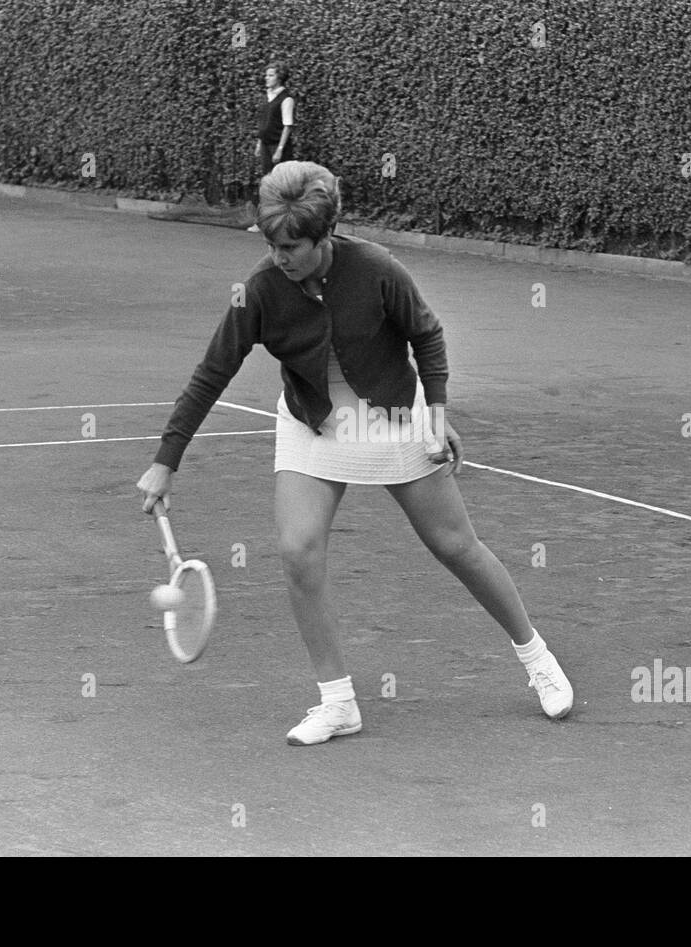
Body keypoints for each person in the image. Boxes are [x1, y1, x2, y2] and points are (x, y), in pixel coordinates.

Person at [137, 161, 574, 746]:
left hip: (393, 417)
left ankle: (537, 657)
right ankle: (337, 702)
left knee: (454, 545)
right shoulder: (261, 290)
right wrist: (167, 460)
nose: (279, 257)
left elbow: (428, 335)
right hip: (312, 424)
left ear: (326, 236)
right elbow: (212, 372)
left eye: (292, 245)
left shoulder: (376, 269)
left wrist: (437, 416)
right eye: (272, 243)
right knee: (297, 551)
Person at [246, 62, 296, 232]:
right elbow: (263, 124)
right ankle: (263, 222)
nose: (266, 78)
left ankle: (285, 223)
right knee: (266, 183)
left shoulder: (286, 99)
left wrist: (280, 149)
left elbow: (287, 126)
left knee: (281, 186)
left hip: (278, 146)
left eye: (271, 75)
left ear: (279, 77)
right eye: (266, 75)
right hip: (266, 145)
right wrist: (259, 143)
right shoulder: (266, 96)